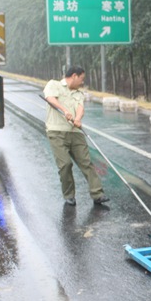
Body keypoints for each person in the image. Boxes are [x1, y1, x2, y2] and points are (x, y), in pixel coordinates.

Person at [43, 66, 109, 207]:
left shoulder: (79, 93)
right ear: (74, 76)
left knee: (86, 163)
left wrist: (77, 118)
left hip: (75, 132)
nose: (82, 82)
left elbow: (80, 108)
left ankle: (97, 194)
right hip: (57, 132)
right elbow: (50, 98)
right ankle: (69, 195)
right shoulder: (54, 84)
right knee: (65, 164)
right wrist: (65, 110)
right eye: (81, 79)